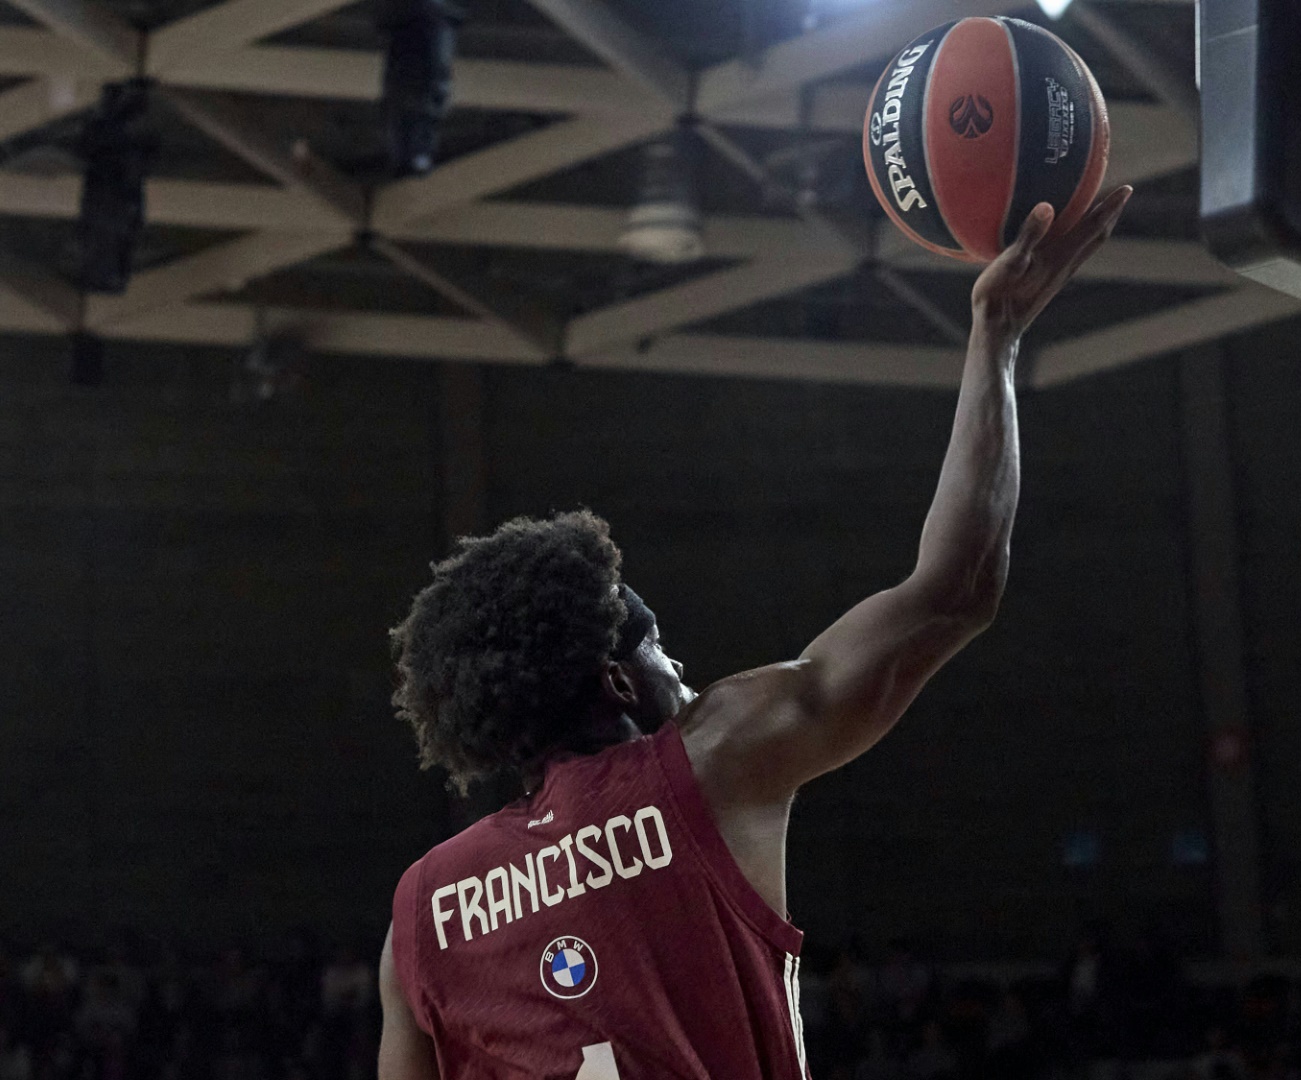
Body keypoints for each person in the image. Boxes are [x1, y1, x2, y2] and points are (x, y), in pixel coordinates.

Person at [376, 188, 1133, 1080]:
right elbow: (953, 592)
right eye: (657, 646)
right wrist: (995, 335)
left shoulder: (420, 914)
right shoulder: (710, 759)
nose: (681, 662)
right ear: (618, 682)